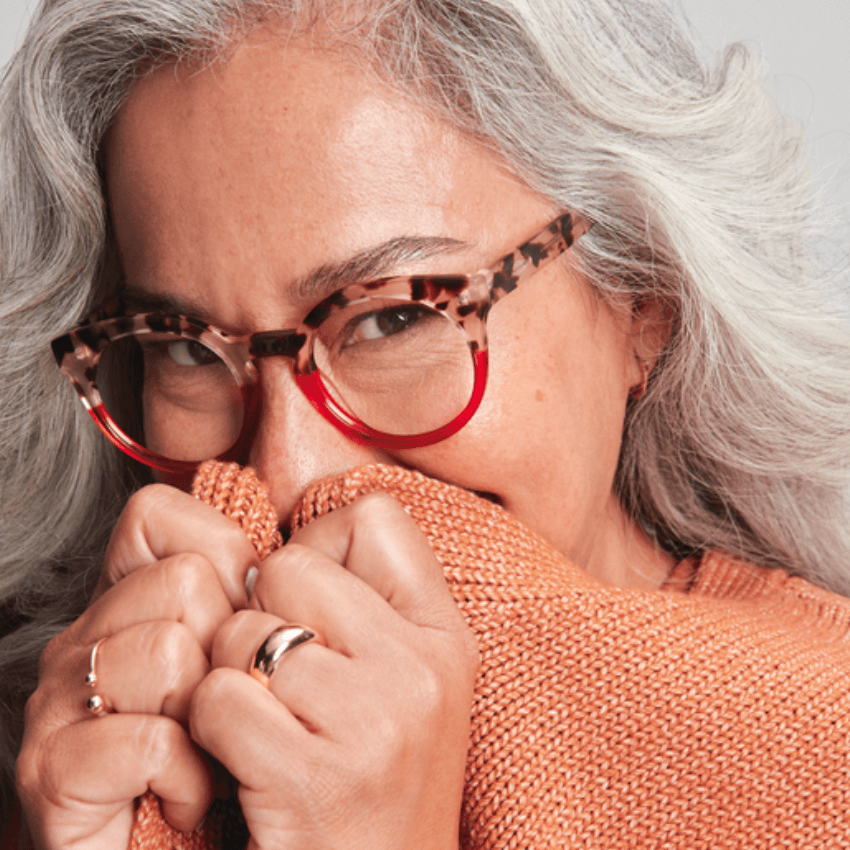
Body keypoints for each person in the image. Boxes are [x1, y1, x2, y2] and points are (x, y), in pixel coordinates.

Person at [1, 0, 849, 847]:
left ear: (640, 302)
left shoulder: (823, 762)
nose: (288, 474)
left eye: (391, 322)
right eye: (183, 349)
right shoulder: (56, 757)